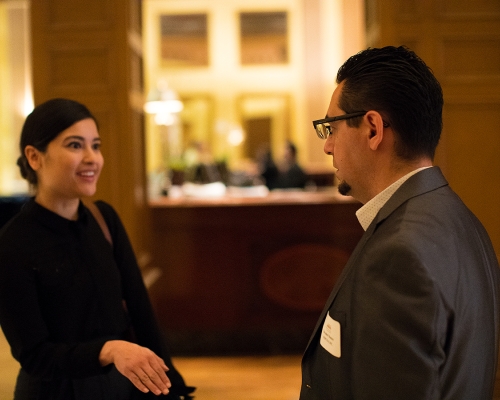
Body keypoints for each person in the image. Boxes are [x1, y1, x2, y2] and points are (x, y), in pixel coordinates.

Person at [300, 46, 500, 399]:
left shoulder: (399, 253)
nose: (328, 146)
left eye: (331, 127)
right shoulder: (462, 219)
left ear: (373, 129)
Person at [0, 98, 195, 399]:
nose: (93, 158)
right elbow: (35, 355)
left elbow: (141, 313)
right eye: (75, 145)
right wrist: (108, 350)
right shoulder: (13, 243)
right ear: (34, 157)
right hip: (55, 391)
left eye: (96, 145)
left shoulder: (104, 219)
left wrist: (170, 387)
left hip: (119, 386)